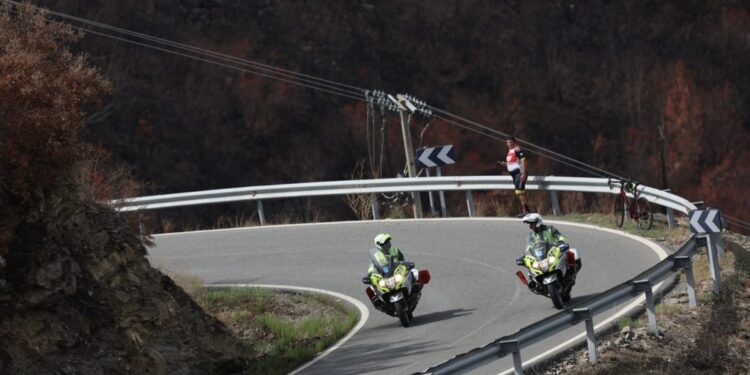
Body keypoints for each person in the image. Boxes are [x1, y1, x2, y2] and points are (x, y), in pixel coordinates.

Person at [499, 136, 530, 217]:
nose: (509, 144)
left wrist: (523, 173)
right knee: (519, 192)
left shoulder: (517, 149)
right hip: (513, 174)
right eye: (508, 142)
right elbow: (512, 162)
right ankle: (526, 210)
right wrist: (505, 164)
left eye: (511, 142)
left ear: (514, 142)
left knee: (519, 191)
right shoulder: (509, 151)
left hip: (519, 173)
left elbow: (523, 160)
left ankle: (526, 211)